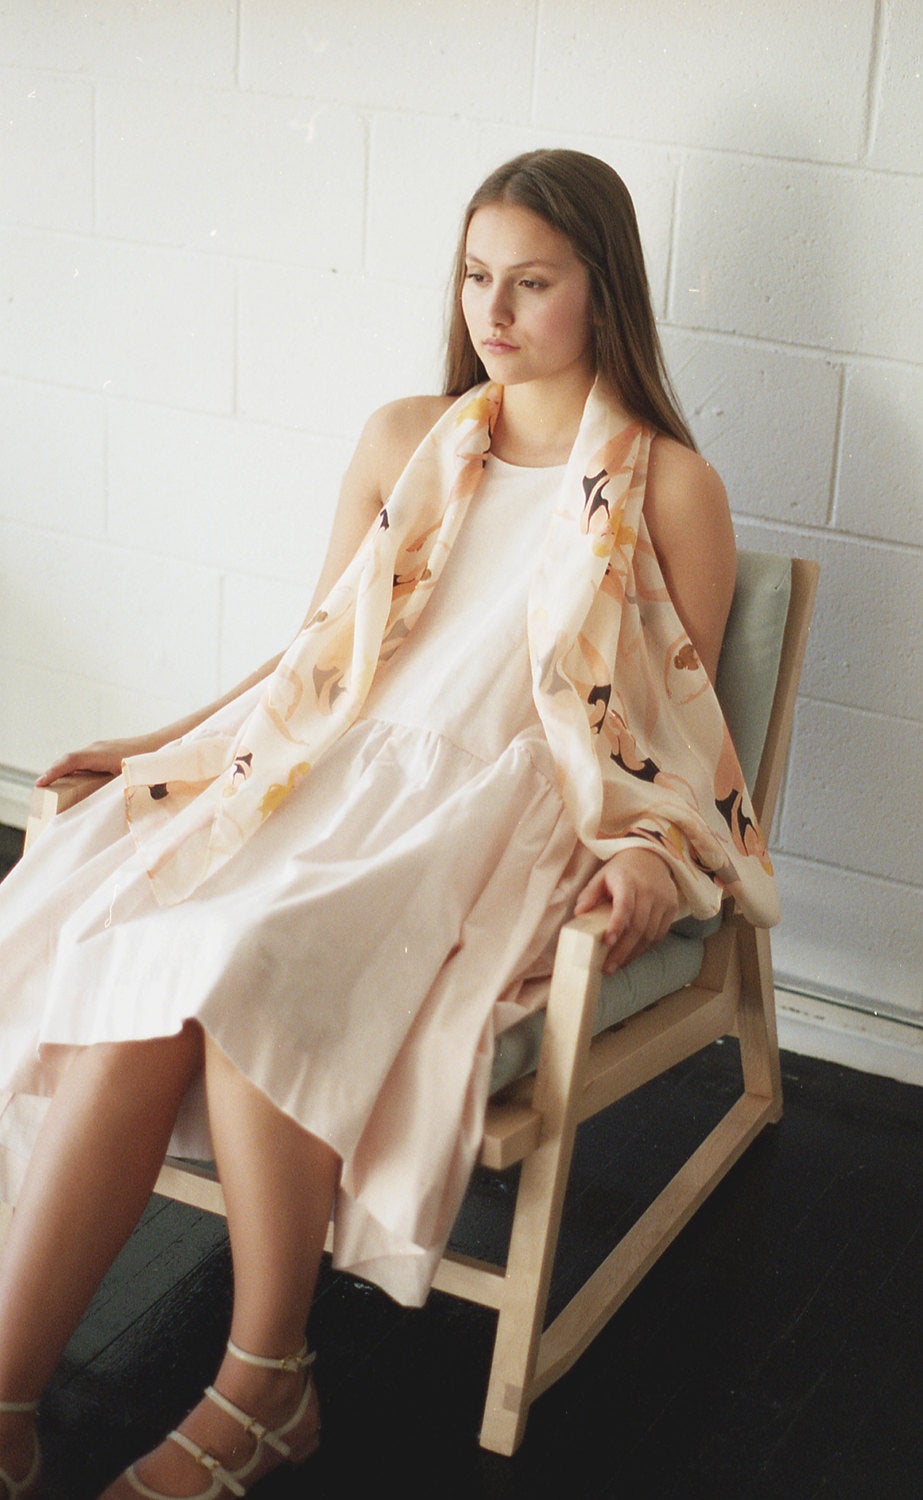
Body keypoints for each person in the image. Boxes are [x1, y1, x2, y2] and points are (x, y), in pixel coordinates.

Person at [0, 149, 777, 1498]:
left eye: (533, 283)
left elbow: (675, 737)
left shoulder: (670, 487)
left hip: (485, 811)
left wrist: (648, 861)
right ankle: (6, 1393)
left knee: (246, 962)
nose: (495, 310)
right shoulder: (408, 438)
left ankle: (262, 1381)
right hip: (334, 771)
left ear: (605, 292)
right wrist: (168, 742)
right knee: (142, 973)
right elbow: (317, 656)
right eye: (478, 277)